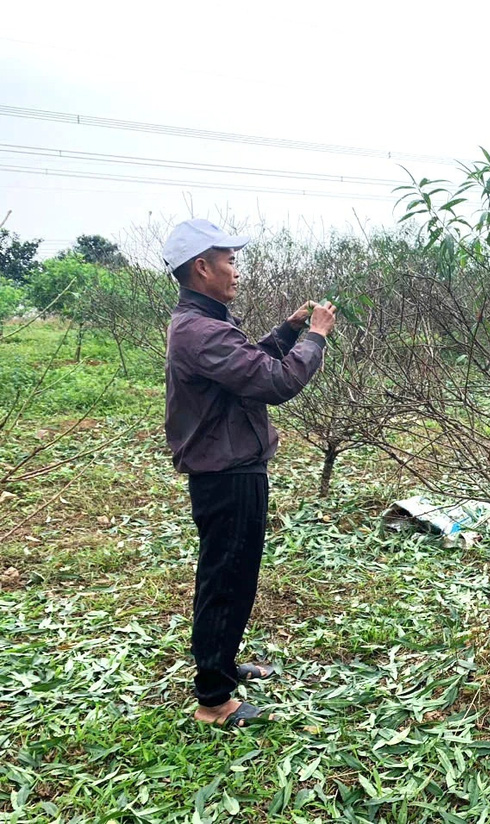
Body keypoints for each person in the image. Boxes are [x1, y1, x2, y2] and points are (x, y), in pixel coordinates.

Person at [163, 219, 337, 726]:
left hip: (233, 468)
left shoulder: (204, 325)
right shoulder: (201, 330)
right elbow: (276, 381)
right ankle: (214, 700)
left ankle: (222, 664)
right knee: (226, 579)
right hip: (227, 474)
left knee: (235, 575)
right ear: (202, 267)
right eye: (229, 261)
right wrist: (316, 338)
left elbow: (248, 362)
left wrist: (288, 329)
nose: (236, 271)